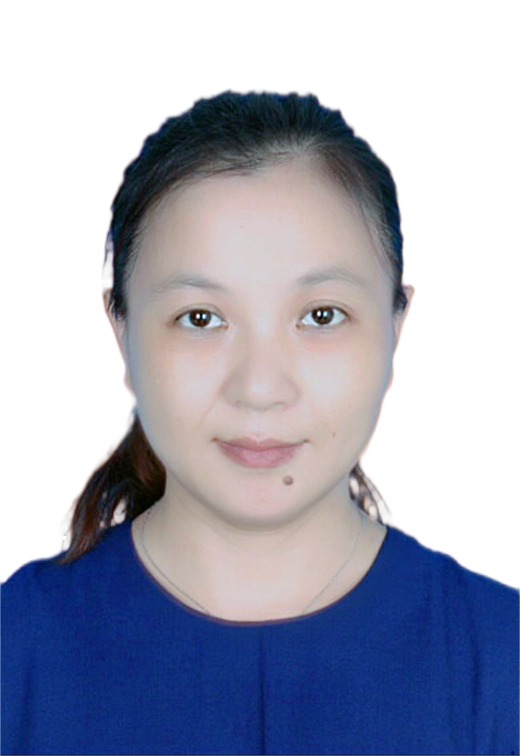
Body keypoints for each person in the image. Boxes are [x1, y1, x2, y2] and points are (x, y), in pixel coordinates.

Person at [1, 90, 518, 756]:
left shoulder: (500, 661)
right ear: (122, 330)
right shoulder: (17, 652)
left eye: (322, 316)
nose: (260, 389)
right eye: (200, 318)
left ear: (395, 327)